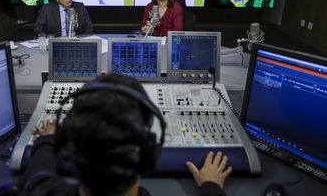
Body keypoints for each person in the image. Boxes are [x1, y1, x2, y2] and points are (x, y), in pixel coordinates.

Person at [18, 74, 231, 196]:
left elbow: (38, 175)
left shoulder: (40, 191)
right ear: (149, 153)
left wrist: (47, 138)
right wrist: (211, 187)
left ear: (69, 151)